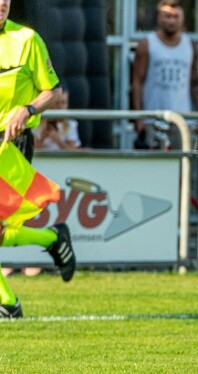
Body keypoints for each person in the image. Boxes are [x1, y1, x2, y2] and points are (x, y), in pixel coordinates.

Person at [0, 0, 77, 319]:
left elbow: (53, 91)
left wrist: (28, 109)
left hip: (10, 144)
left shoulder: (27, 39)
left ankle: (8, 304)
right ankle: (52, 238)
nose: (2, 3)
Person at [131, 0, 198, 150]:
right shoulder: (147, 44)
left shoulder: (190, 45)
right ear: (159, 18)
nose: (171, 21)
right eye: (167, 16)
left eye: (175, 16)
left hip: (182, 121)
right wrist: (139, 117)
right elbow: (137, 82)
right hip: (153, 119)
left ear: (182, 18)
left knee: (183, 161)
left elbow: (195, 83)